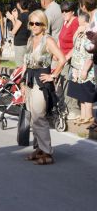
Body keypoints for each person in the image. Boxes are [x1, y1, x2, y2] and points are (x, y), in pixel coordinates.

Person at [21, 10, 66, 165]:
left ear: (44, 24)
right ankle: (38, 148)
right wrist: (21, 82)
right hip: (29, 81)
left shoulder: (48, 40)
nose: (34, 26)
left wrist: (52, 76)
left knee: (39, 117)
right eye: (31, 23)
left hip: (41, 83)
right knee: (33, 117)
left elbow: (62, 59)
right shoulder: (30, 39)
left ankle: (47, 152)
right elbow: (25, 63)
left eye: (37, 23)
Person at [67, 11, 97, 126]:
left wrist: (85, 70)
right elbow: (74, 44)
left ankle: (89, 116)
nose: (78, 24)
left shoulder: (89, 34)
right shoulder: (80, 32)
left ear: (86, 22)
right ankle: (84, 115)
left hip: (86, 69)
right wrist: (77, 31)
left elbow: (90, 54)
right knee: (81, 94)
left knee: (87, 93)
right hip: (77, 68)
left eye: (80, 22)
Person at [57, 0, 80, 121]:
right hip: (62, 57)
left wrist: (66, 57)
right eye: (62, 11)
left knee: (69, 84)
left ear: (72, 11)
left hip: (71, 58)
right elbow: (60, 38)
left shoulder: (75, 22)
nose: (64, 13)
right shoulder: (65, 22)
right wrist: (56, 52)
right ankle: (65, 107)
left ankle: (74, 110)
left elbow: (76, 44)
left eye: (67, 11)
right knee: (63, 83)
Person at [6, 0, 31, 66]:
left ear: (19, 5)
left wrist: (12, 19)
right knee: (28, 65)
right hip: (28, 43)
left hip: (20, 44)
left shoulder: (22, 16)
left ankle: (22, 77)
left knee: (20, 66)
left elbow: (14, 31)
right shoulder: (30, 14)